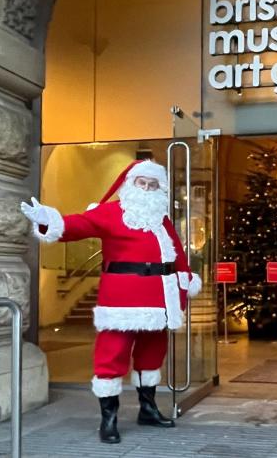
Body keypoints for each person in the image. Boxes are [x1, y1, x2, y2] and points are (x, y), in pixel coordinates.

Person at [20, 160, 202, 445]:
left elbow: (176, 253)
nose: (147, 188)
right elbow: (75, 225)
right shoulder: (111, 212)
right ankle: (109, 419)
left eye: (152, 185)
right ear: (129, 185)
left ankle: (148, 409)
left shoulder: (161, 219)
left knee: (152, 355)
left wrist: (186, 277)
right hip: (121, 300)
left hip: (159, 299)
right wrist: (48, 219)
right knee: (112, 355)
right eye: (142, 183)